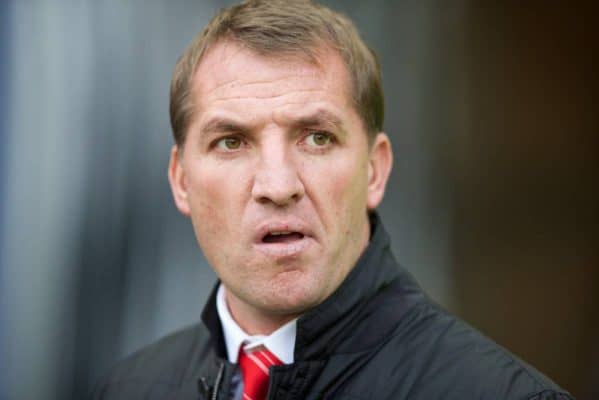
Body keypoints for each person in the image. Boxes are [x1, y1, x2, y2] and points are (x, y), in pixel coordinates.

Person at [90, 1, 573, 399]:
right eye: (232, 142)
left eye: (316, 138)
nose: (278, 186)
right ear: (181, 182)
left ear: (375, 170)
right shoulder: (129, 388)